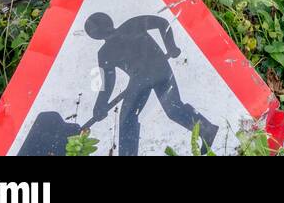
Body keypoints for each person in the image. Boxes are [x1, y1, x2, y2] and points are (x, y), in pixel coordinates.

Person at [85, 11, 219, 155]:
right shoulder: (107, 51)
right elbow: (108, 81)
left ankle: (207, 130)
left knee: (132, 116)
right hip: (143, 78)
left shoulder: (130, 26)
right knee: (170, 108)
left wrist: (171, 46)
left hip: (156, 70)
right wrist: (100, 105)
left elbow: (162, 23)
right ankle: (207, 129)